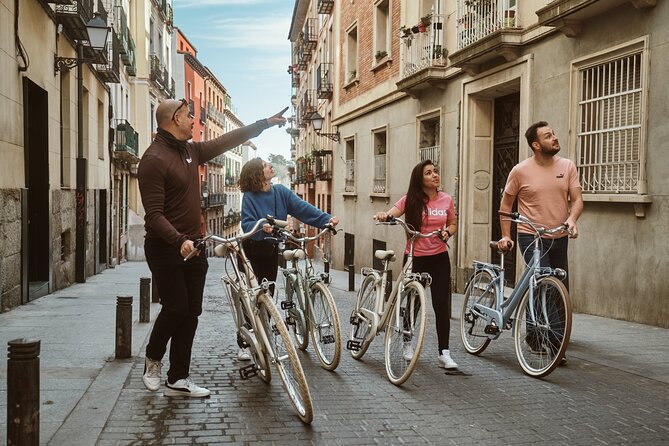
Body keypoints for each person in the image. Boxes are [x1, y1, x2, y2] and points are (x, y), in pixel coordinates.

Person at [138, 99, 288, 397]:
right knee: (176, 307)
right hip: (166, 248)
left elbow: (227, 139)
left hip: (196, 246)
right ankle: (153, 359)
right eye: (188, 115)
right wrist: (178, 240)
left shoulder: (191, 151)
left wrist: (264, 124)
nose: (193, 119)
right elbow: (153, 215)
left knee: (191, 311)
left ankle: (177, 379)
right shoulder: (154, 159)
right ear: (174, 119)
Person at [497, 121, 583, 361]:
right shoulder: (520, 171)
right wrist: (506, 235)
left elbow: (577, 199)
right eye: (548, 136)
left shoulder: (567, 166)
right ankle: (557, 345)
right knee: (544, 280)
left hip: (559, 235)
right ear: (536, 144)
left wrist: (572, 220)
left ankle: (535, 336)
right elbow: (505, 206)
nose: (554, 138)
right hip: (529, 235)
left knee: (559, 288)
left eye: (554, 133)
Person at [237, 157, 338, 360]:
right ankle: (244, 343)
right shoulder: (249, 196)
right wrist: (260, 225)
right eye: (266, 165)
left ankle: (264, 334)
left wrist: (327, 219)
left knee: (268, 294)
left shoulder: (280, 192)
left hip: (270, 249)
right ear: (257, 173)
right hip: (251, 249)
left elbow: (302, 208)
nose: (270, 166)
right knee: (251, 295)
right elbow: (246, 223)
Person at [374, 159, 459, 370]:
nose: (435, 175)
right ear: (419, 179)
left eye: (436, 171)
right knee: (413, 303)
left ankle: (444, 353)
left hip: (439, 257)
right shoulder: (409, 200)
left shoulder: (446, 199)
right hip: (415, 257)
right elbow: (392, 213)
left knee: (441, 304)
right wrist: (385, 215)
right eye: (429, 173)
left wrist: (448, 232)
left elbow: (453, 223)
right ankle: (407, 342)